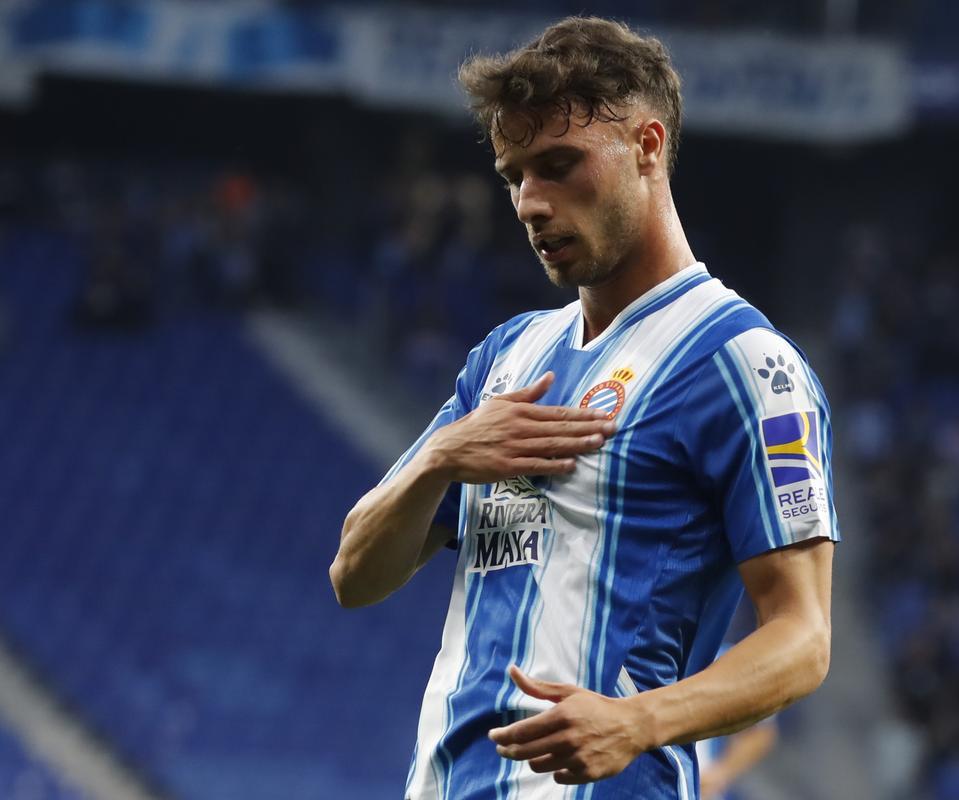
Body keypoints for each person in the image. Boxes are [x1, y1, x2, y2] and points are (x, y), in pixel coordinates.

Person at [329, 16, 838, 800]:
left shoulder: (742, 363)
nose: (531, 202)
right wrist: (439, 457)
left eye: (559, 164)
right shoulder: (507, 358)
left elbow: (802, 640)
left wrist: (641, 720)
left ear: (648, 146)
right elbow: (354, 577)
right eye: (514, 176)